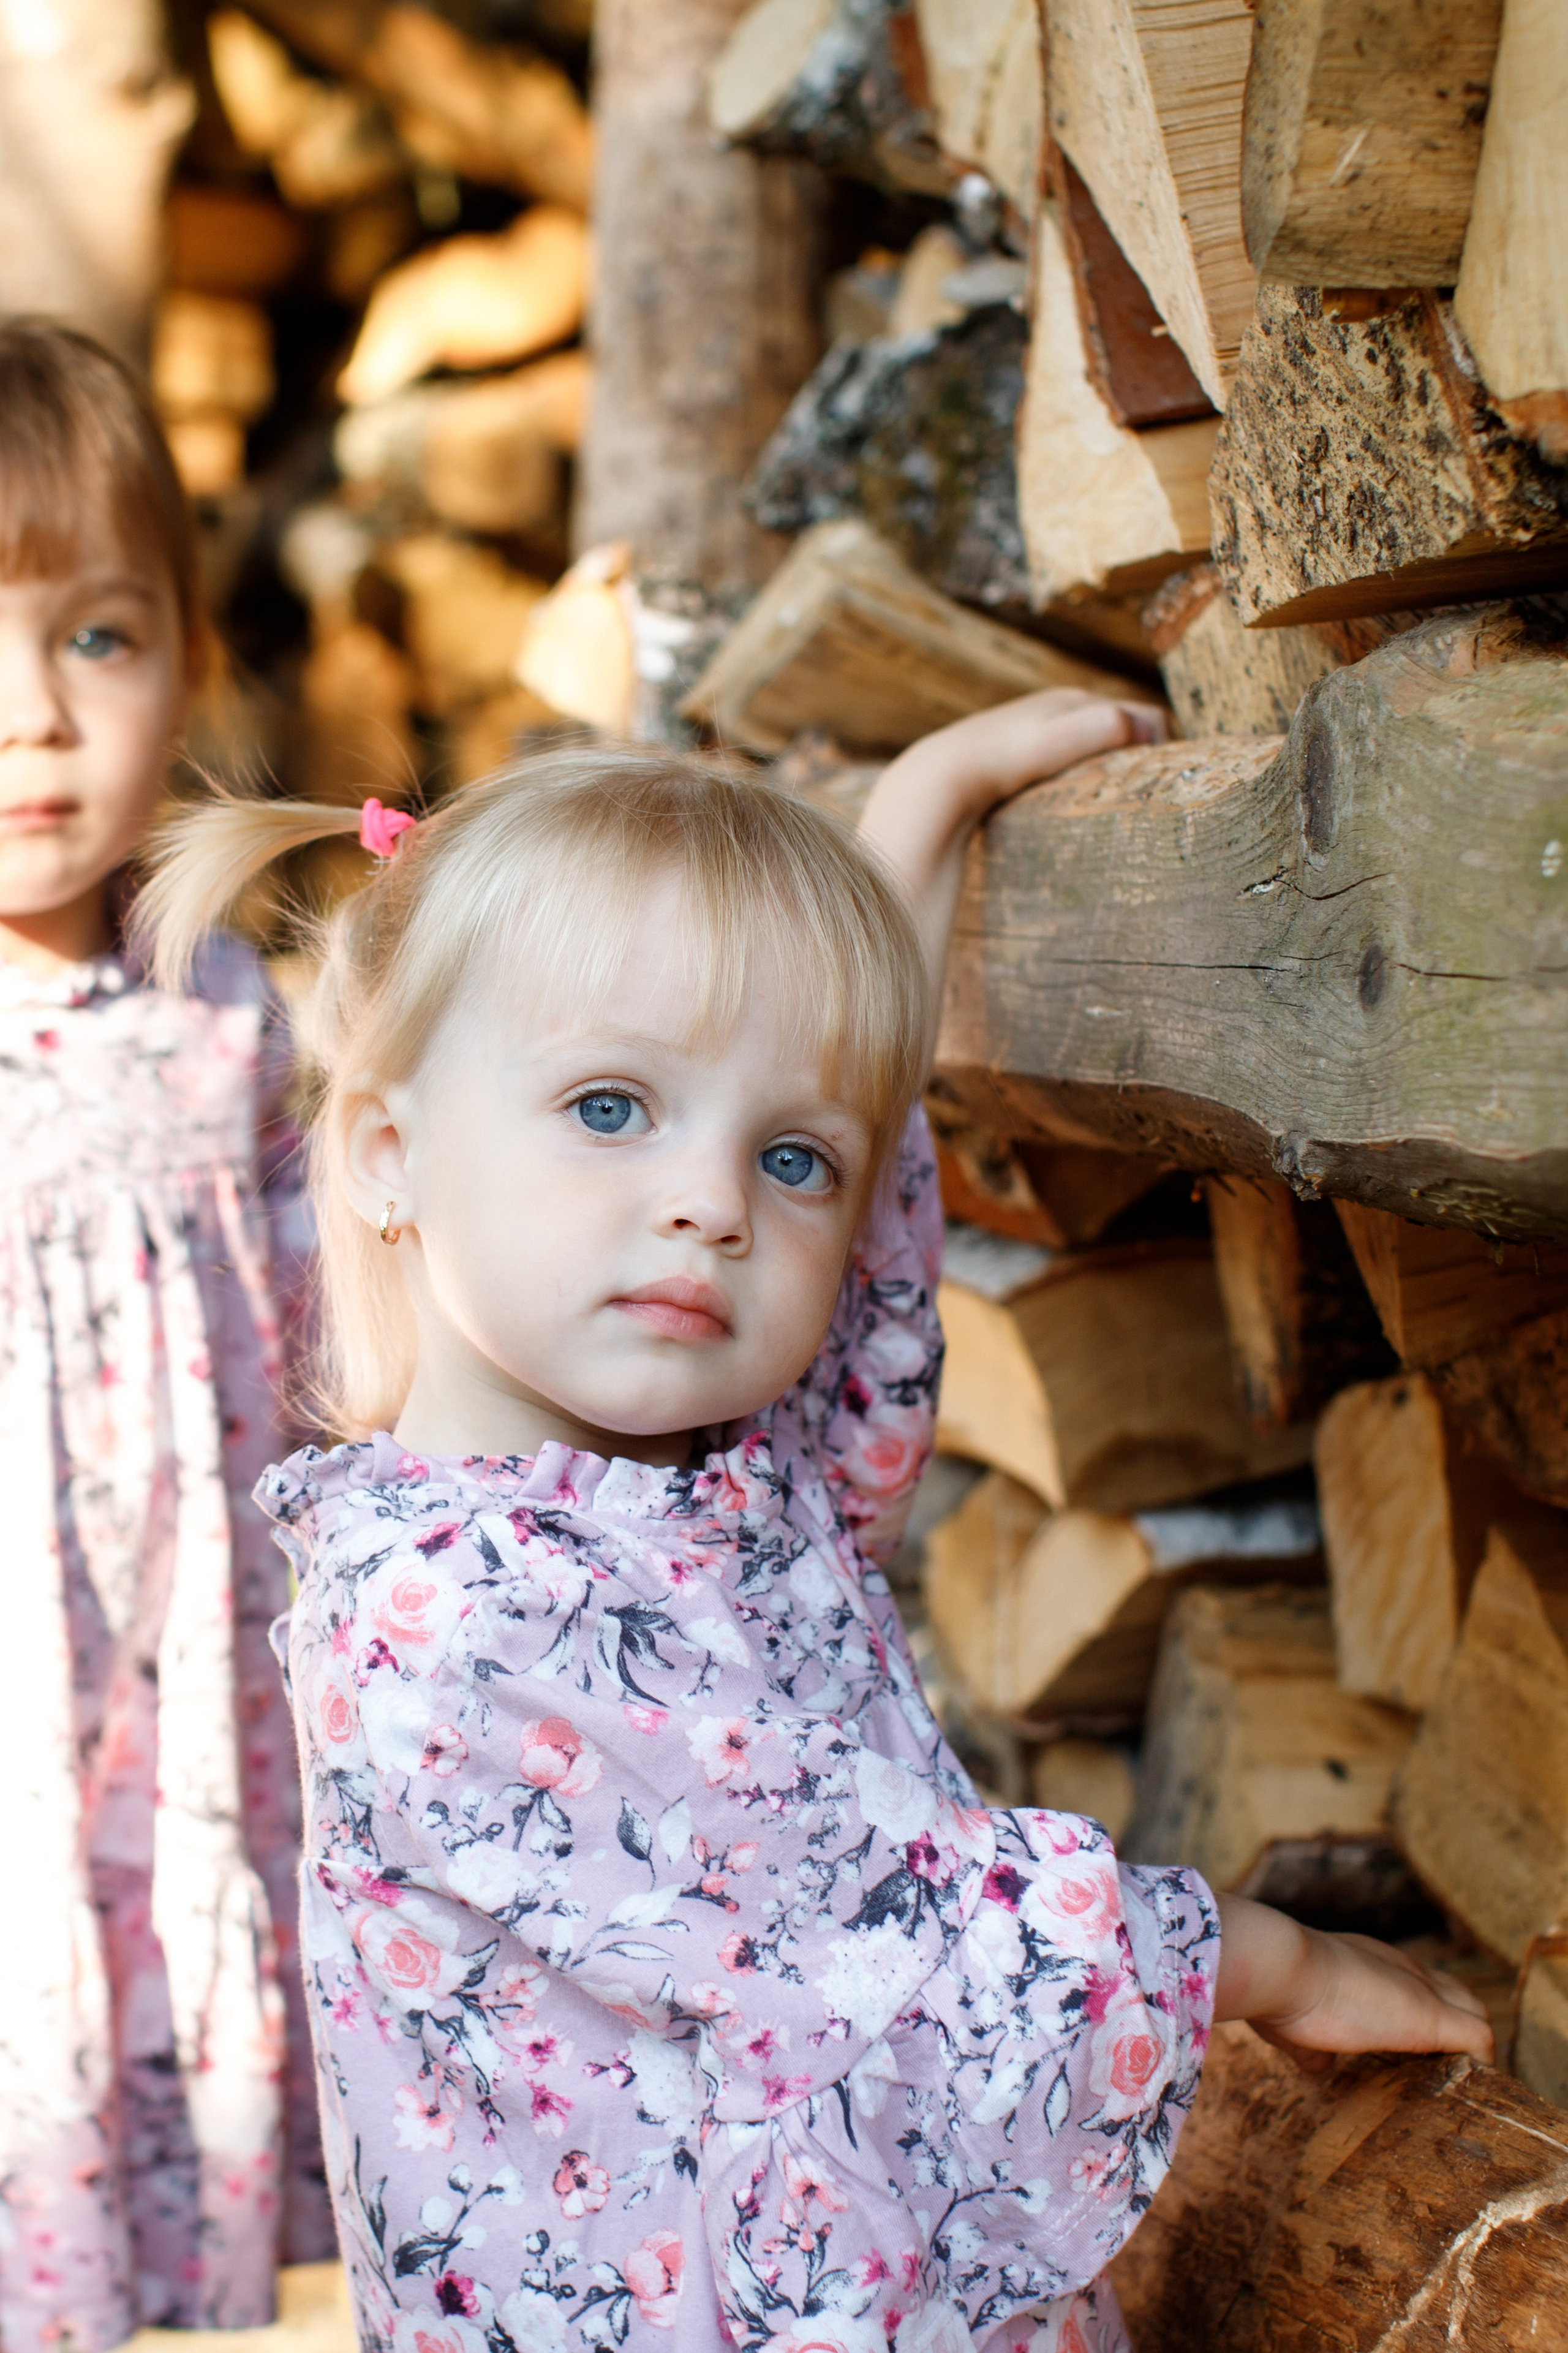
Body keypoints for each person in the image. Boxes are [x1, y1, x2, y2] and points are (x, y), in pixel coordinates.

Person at [137, 706, 1493, 2353]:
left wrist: (912, 820)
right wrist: (1263, 1960)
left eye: (787, 1157)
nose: (715, 1200)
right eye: (613, 1107)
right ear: (386, 1153)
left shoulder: (705, 1460)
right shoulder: (458, 1614)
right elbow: (872, 1922)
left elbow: (852, 1254)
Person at [0, 320, 330, 2353]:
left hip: (184, 1713)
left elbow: (323, 1332)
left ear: (191, 658)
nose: (35, 717)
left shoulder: (228, 1007)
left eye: (97, 638)